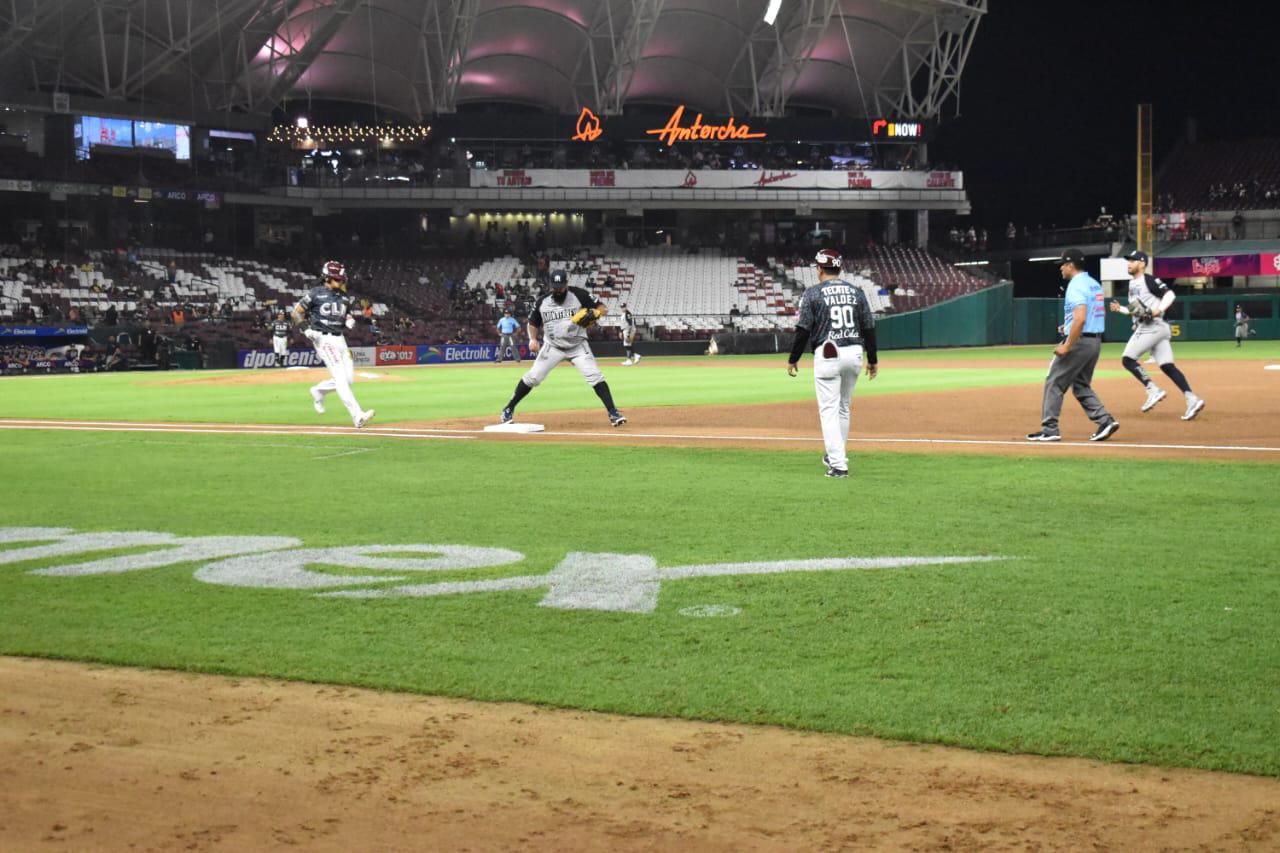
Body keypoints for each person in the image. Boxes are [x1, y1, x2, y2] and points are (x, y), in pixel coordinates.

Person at [786, 249, 878, 478]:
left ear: (819, 269)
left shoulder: (813, 294)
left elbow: (803, 329)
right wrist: (873, 359)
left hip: (828, 353)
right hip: (855, 351)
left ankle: (838, 465)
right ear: (840, 268)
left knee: (828, 410)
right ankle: (835, 455)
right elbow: (868, 327)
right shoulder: (857, 292)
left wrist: (793, 358)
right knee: (844, 407)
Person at [500, 269, 625, 427]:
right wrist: (532, 339)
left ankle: (613, 412)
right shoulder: (542, 302)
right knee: (533, 377)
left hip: (577, 345)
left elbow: (603, 308)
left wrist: (595, 313)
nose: (558, 290)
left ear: (567, 283)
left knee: (595, 376)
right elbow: (532, 323)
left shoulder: (579, 294)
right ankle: (508, 408)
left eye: (561, 286)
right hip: (553, 346)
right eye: (555, 287)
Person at [1027, 249, 1118, 442]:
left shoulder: (1075, 285)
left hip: (1079, 342)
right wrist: (1068, 327)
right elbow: (1091, 315)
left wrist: (1067, 345)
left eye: (1062, 264)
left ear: (1070, 265)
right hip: (1094, 341)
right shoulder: (1093, 284)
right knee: (1081, 385)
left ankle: (1049, 429)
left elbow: (1081, 317)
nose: (1060, 268)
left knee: (1054, 382)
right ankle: (1105, 420)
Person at [1107, 250, 1205, 420]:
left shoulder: (1148, 279)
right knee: (1167, 366)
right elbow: (1136, 310)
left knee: (1127, 359)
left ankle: (1153, 389)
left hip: (1151, 326)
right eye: (1128, 261)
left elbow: (1170, 294)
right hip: (1157, 328)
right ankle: (1192, 399)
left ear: (1142, 264)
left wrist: (1158, 309)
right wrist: (1121, 310)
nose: (1129, 263)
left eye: (1133, 260)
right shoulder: (1132, 284)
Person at [291, 260, 375, 428]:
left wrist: (349, 320)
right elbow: (296, 313)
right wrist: (305, 329)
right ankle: (357, 416)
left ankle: (318, 390)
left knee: (348, 379)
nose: (340, 281)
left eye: (341, 278)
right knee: (341, 380)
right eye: (337, 279)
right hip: (323, 338)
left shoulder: (344, 296)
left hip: (340, 338)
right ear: (327, 278)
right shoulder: (315, 293)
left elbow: (346, 315)